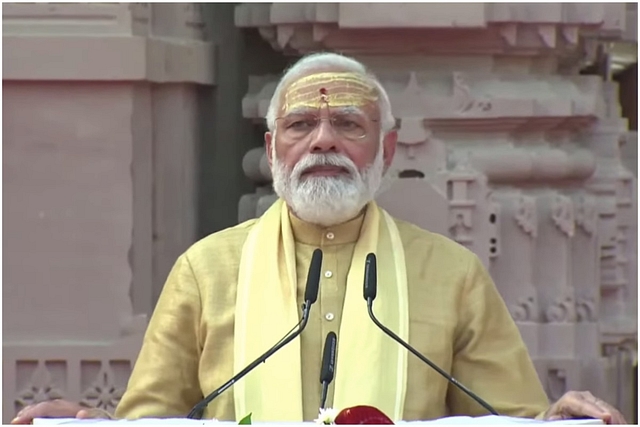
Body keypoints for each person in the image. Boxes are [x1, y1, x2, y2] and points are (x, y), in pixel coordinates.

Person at [12, 52, 627, 425]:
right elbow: (152, 423)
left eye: (347, 124)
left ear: (385, 148)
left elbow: (509, 421)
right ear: (273, 146)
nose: (323, 141)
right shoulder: (207, 270)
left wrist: (558, 423)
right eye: (302, 123)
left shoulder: (451, 273)